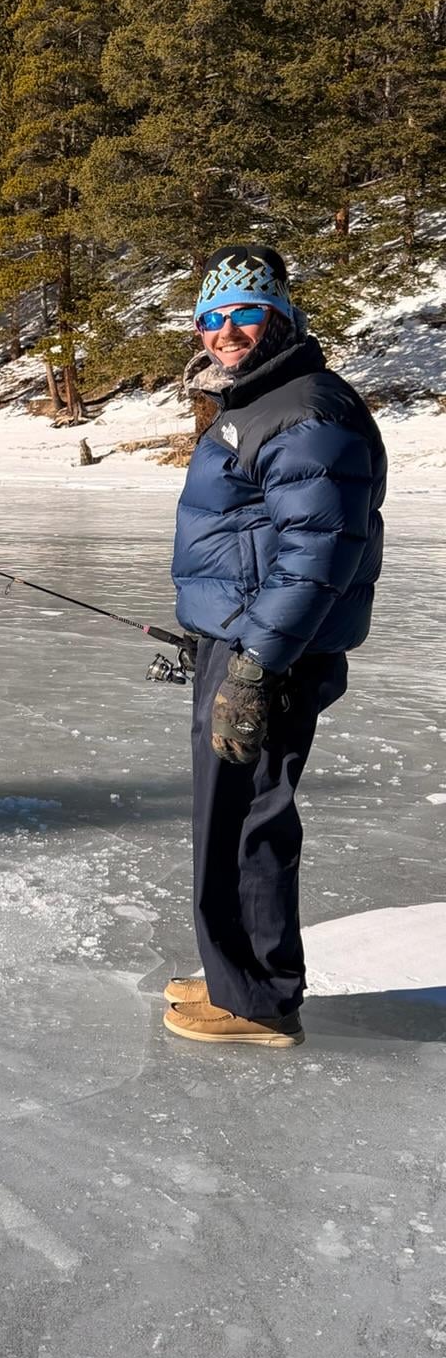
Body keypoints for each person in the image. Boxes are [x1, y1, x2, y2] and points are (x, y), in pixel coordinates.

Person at [164, 244, 386, 1047]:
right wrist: (219, 638)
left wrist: (256, 663)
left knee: (251, 819)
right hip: (248, 641)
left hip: (272, 655)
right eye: (213, 318)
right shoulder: (262, 402)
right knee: (231, 817)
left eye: (246, 314)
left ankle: (258, 1001)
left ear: (282, 318)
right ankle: (239, 976)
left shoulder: (303, 409)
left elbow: (318, 554)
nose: (227, 332)